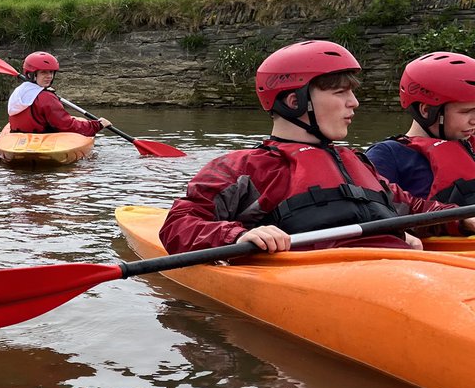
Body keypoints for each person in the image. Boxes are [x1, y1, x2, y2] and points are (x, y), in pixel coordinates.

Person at [158, 40, 475, 255]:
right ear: (295, 101)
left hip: (399, 267)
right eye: (340, 93)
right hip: (327, 276)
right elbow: (179, 224)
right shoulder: (243, 168)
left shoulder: (358, 165)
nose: (354, 103)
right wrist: (238, 236)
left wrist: (460, 219)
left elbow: (414, 208)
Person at [366, 51, 475, 205]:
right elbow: (377, 212)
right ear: (426, 110)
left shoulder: (471, 146)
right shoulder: (387, 155)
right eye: (465, 112)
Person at [7, 51, 111, 135]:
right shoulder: (46, 97)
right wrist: (97, 125)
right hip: (42, 141)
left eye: (51, 72)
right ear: (31, 74)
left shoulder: (19, 91)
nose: (49, 76)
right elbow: (66, 125)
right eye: (43, 72)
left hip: (19, 137)